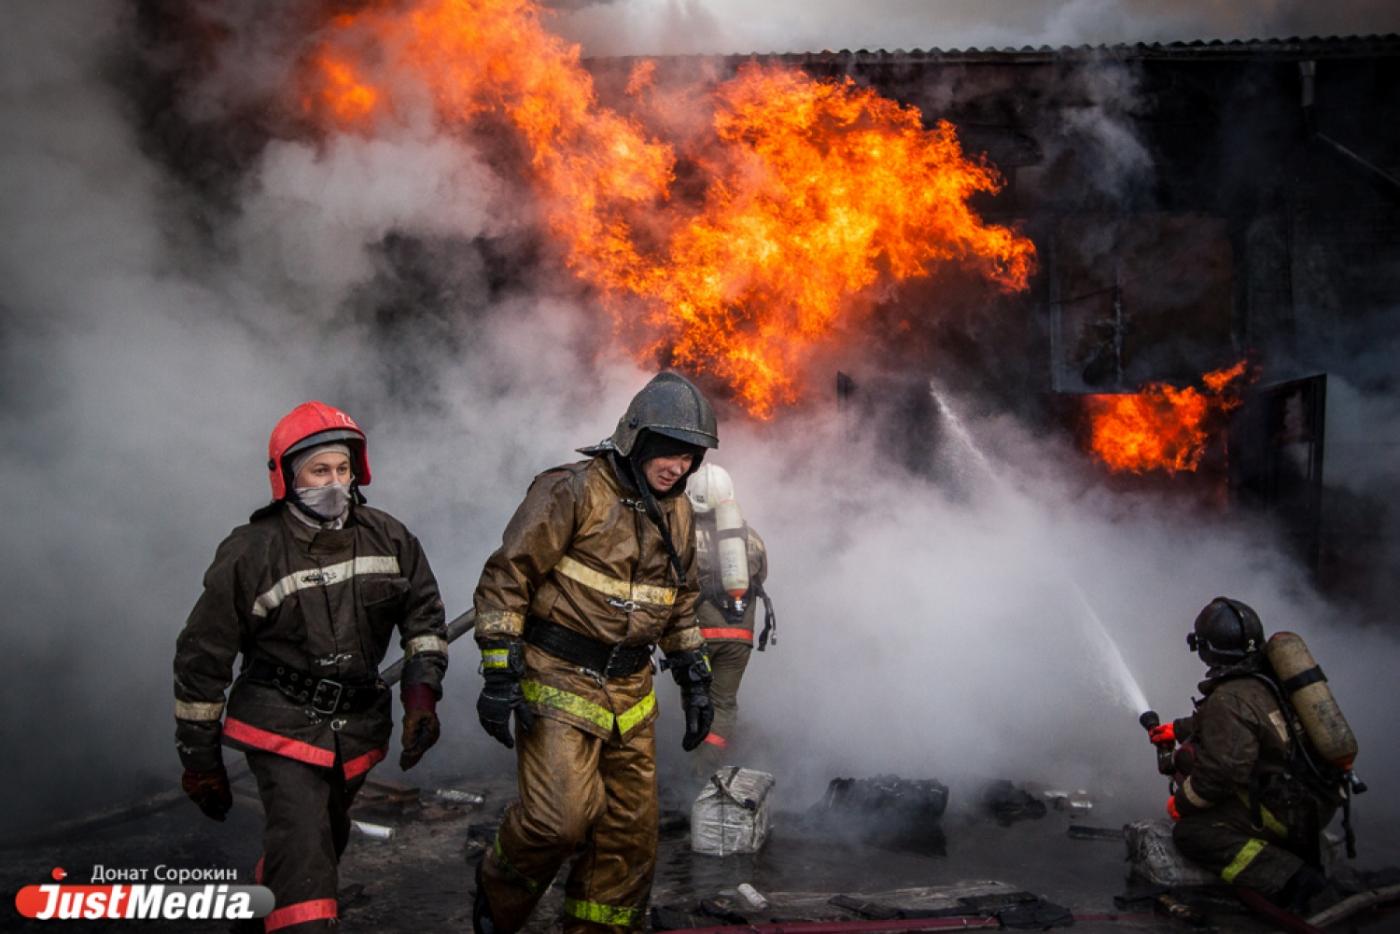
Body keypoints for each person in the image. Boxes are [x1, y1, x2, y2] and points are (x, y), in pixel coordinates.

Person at [173, 400, 449, 932]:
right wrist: (199, 760)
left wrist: (421, 699)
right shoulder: (251, 553)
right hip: (281, 728)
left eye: (343, 469)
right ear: (287, 477)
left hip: (358, 729)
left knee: (322, 840)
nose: (334, 482)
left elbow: (425, 621)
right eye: (320, 470)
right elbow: (202, 658)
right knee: (306, 865)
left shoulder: (388, 538)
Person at [471, 371, 717, 934]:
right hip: (559, 679)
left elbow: (679, 601)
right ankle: (498, 892)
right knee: (560, 821)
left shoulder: (678, 511)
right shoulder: (572, 489)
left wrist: (694, 676)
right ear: (637, 438)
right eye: (670, 451)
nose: (678, 466)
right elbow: (507, 578)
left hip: (632, 694)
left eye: (690, 456)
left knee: (629, 838)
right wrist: (498, 669)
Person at [1149, 597, 1339, 911]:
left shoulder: (1229, 697)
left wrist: (1181, 802)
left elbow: (1223, 773)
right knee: (1191, 761)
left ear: (1207, 648)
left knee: (1192, 833)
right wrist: (1178, 729)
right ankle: (1293, 854)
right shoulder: (1266, 678)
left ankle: (1290, 878)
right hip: (1317, 796)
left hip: (1289, 813)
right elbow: (1241, 717)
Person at [684, 463, 771, 772]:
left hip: (696, 635)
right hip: (739, 638)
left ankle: (686, 759)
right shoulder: (750, 537)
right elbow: (761, 575)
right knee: (723, 703)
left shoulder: (681, 534)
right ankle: (705, 768)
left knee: (694, 695)